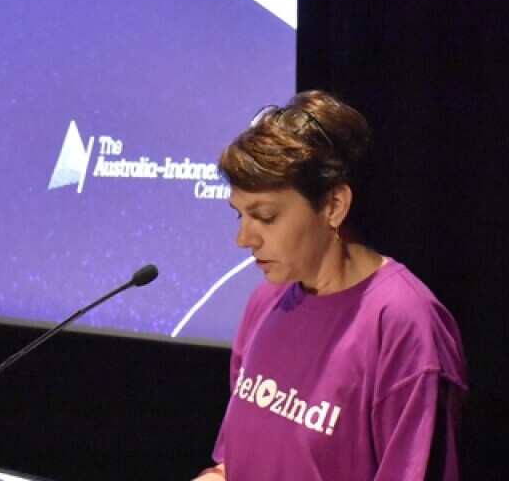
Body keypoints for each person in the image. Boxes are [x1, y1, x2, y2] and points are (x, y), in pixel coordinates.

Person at [196, 91, 467, 481]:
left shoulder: (403, 324)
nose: (244, 239)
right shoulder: (266, 301)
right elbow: (235, 464)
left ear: (334, 206)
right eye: (240, 215)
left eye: (265, 216)